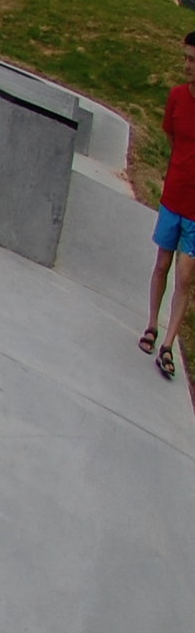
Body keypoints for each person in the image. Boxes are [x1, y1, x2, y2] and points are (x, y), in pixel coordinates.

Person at [141, 31, 195, 381]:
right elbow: (172, 137)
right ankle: (151, 325)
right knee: (162, 263)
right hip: (173, 197)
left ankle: (169, 346)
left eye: (194, 60)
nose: (188, 66)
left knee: (185, 276)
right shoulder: (176, 97)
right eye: (187, 59)